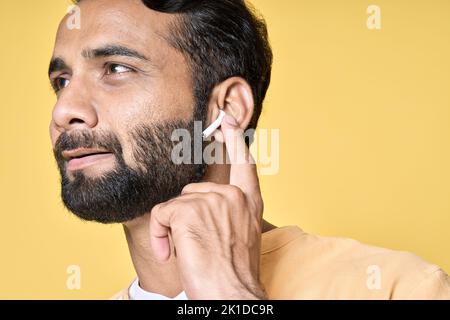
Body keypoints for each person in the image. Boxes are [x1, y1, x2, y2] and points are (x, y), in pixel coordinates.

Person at [48, 0, 450, 299]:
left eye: (117, 68)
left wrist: (232, 298)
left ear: (225, 109)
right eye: (62, 81)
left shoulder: (400, 289)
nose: (65, 110)